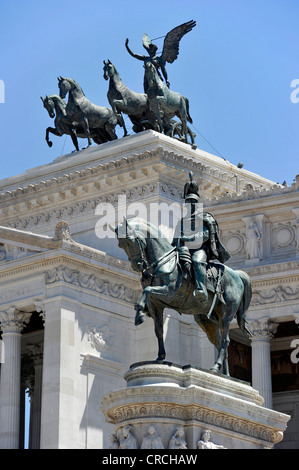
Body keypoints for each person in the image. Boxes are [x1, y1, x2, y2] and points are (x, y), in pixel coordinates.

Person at [172, 172, 230, 302]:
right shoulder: (181, 221)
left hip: (199, 249)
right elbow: (175, 239)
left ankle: (201, 288)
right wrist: (177, 242)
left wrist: (187, 239)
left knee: (198, 261)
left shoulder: (203, 218)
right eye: (189, 201)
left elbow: (204, 235)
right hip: (184, 250)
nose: (191, 204)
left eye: (193, 201)